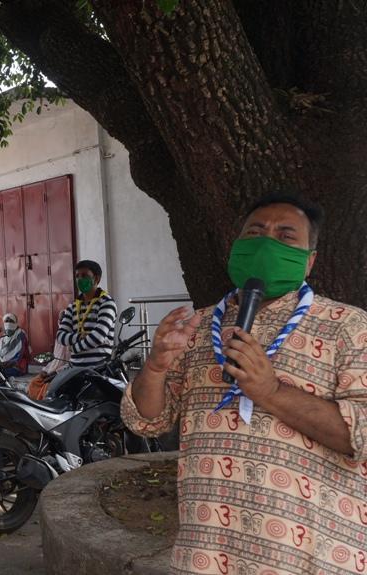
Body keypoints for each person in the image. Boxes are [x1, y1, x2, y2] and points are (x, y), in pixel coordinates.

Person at [123, 196, 367, 574]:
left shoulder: (349, 327)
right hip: (205, 552)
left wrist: (270, 392)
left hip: (309, 557)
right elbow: (146, 423)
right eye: (255, 233)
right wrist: (155, 368)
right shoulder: (197, 326)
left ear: (310, 260)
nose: (266, 243)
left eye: (285, 236)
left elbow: (362, 437)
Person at [55, 260, 117, 367]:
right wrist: (80, 337)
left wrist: (74, 348)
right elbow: (60, 336)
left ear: (96, 279)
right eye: (77, 276)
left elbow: (97, 337)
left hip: (99, 368)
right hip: (74, 368)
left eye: (84, 275)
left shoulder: (106, 303)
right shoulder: (73, 306)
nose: (80, 279)